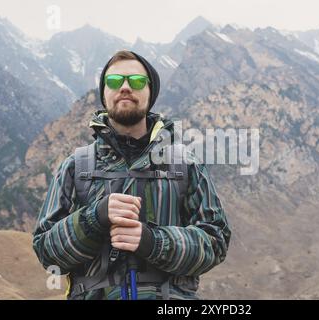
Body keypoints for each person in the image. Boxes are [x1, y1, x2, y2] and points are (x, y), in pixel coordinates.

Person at [32, 50, 231, 300]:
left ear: (151, 93)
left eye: (136, 81)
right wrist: (95, 218)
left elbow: (216, 241)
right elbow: (47, 254)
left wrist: (153, 241)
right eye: (114, 81)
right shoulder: (74, 167)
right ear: (104, 94)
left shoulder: (186, 165)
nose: (125, 87)